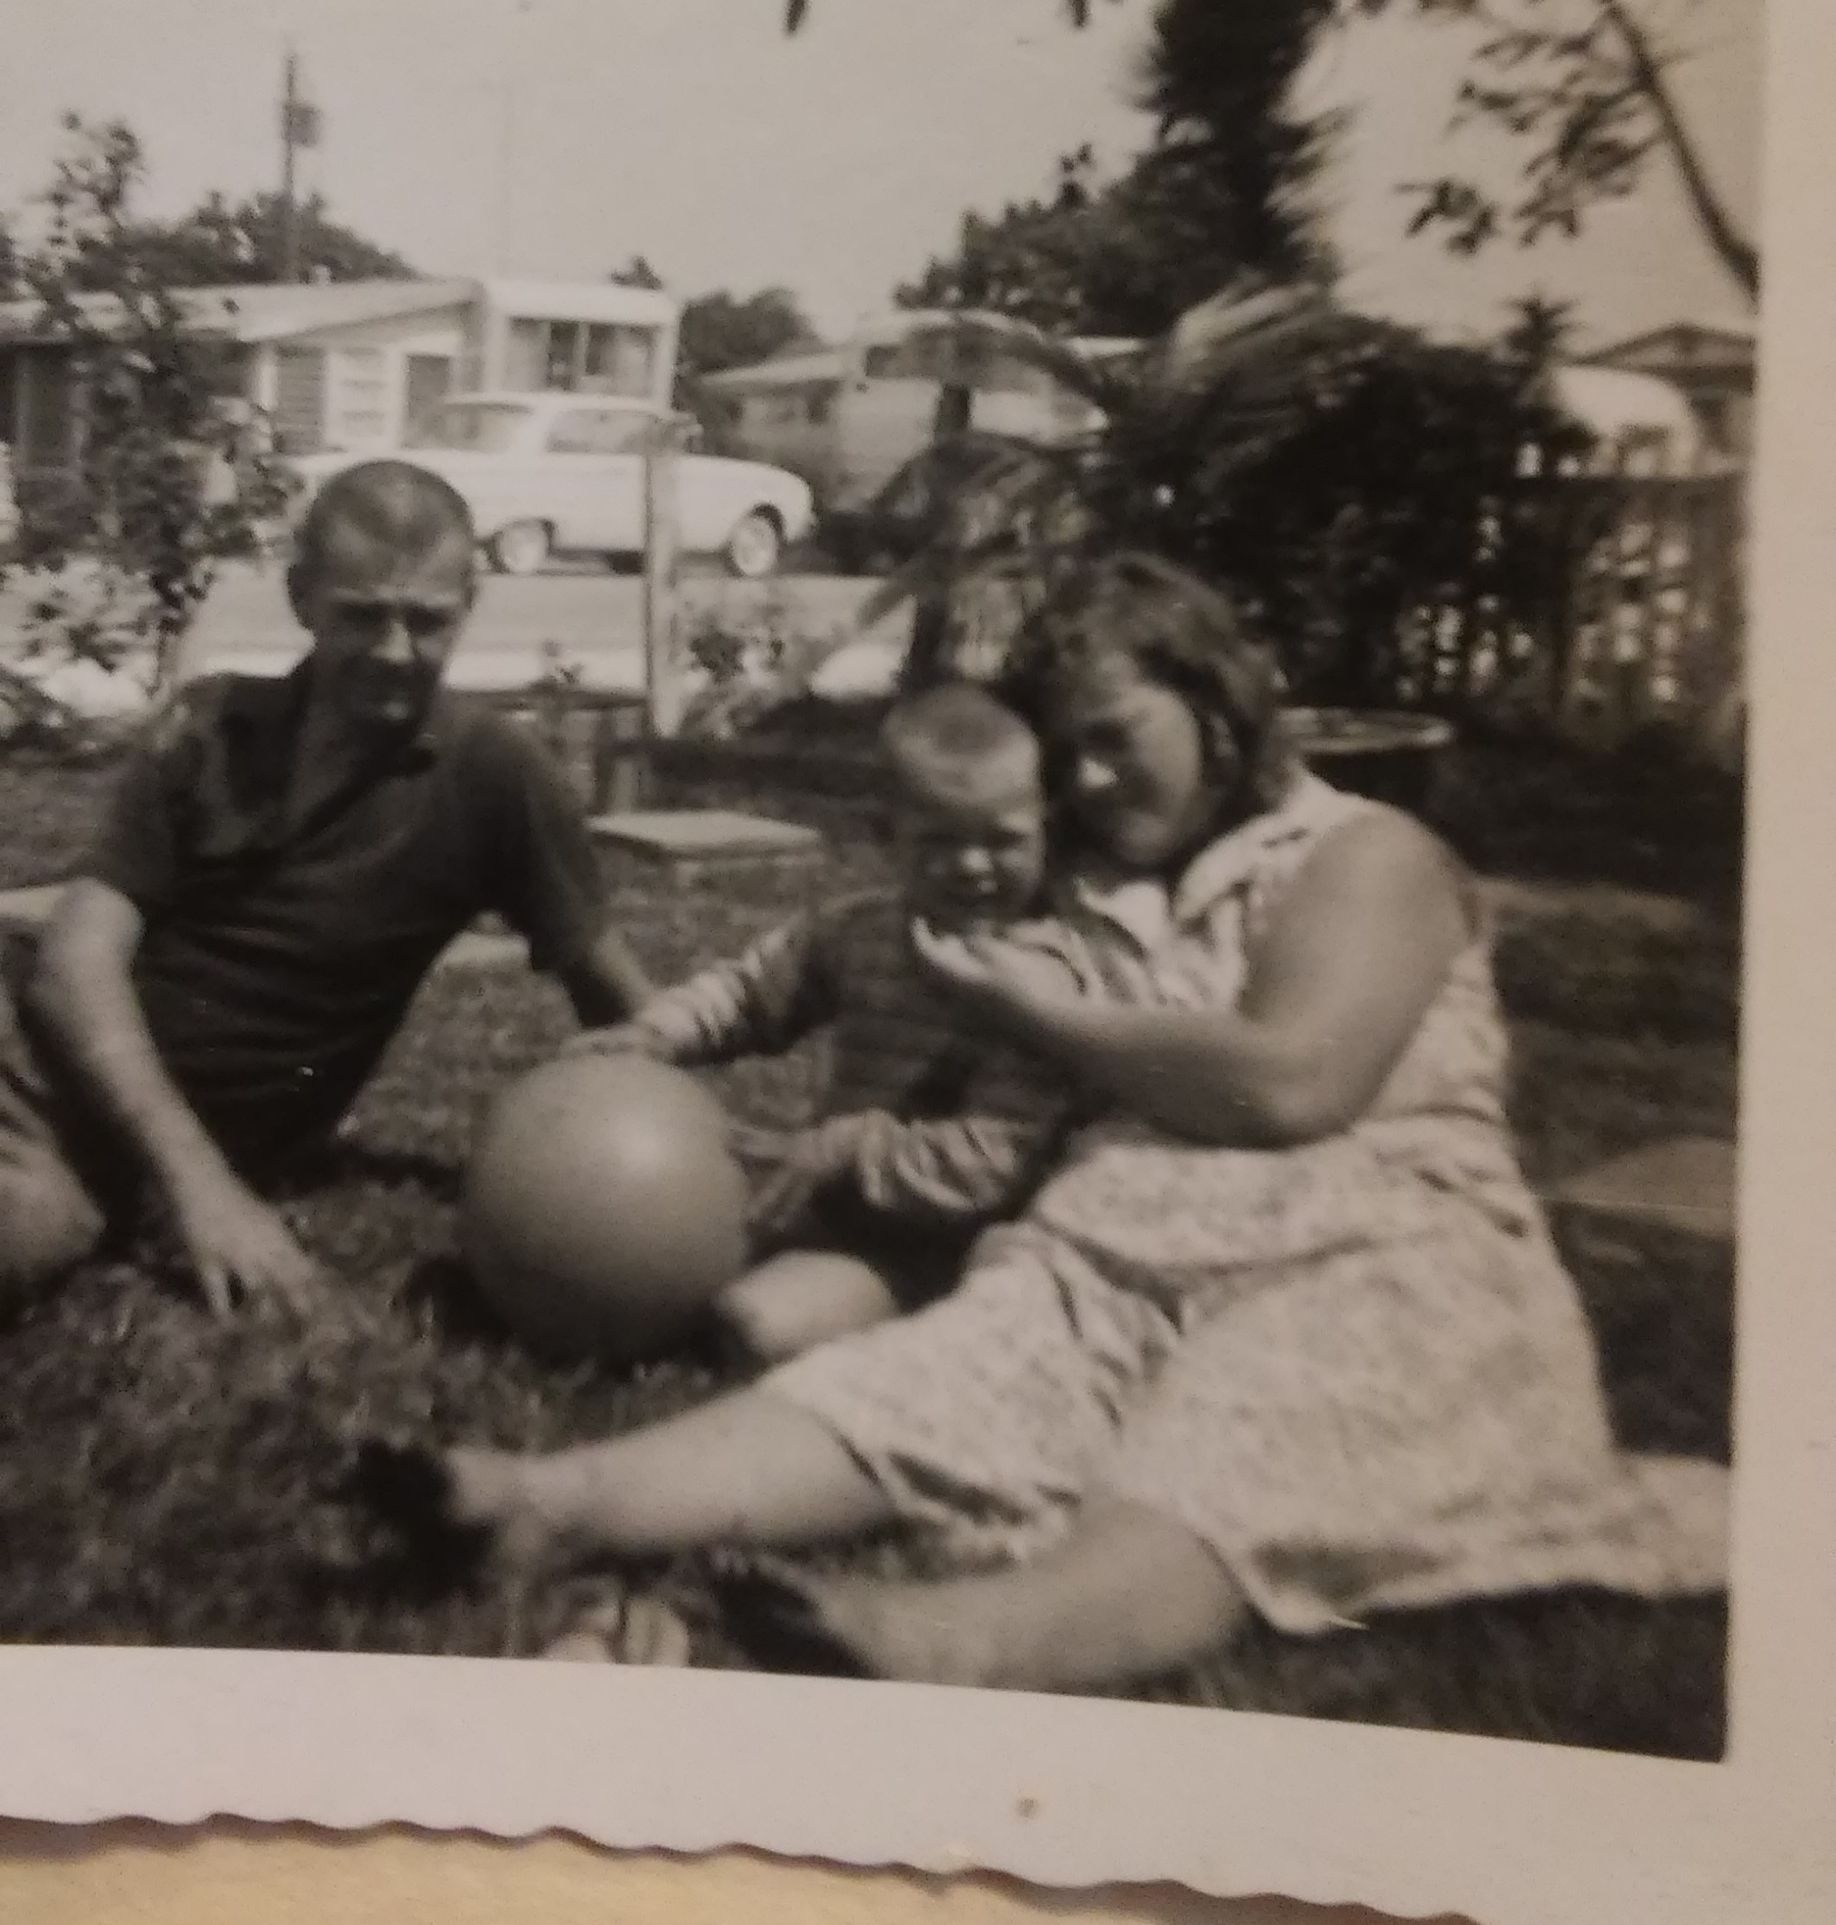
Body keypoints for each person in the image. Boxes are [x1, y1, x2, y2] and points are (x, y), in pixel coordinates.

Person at [357, 552, 1726, 1696]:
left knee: (1241, 1442)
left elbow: (1290, 1086)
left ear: (1217, 701)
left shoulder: (1367, 855)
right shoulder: (1089, 894)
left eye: (1113, 737)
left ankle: (949, 1641)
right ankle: (553, 1506)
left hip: (1376, 1258)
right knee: (914, 1386)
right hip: (1108, 1256)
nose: (1083, 782)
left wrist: (1038, 1012)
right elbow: (855, 953)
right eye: (1061, 757)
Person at [0, 460, 648, 1320]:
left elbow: (619, 998)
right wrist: (205, 1191)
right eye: (361, 617)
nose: (393, 653)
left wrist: (725, 1159)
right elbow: (73, 964)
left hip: (78, 1146)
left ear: (468, 606)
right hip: (31, 1052)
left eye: (426, 622)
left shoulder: (496, 776)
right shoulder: (212, 727)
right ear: (301, 597)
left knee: (25, 1233)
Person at [569, 681, 1106, 1366]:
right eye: (940, 840)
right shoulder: (861, 932)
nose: (972, 866)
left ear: (1045, 832)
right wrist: (660, 1033)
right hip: (846, 1205)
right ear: (888, 835)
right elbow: (747, 992)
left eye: (1002, 841)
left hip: (968, 1237)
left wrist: (850, 1149)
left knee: (753, 1326)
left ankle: (943, 1332)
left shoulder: (1045, 976)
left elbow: (989, 1163)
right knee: (652, 1248)